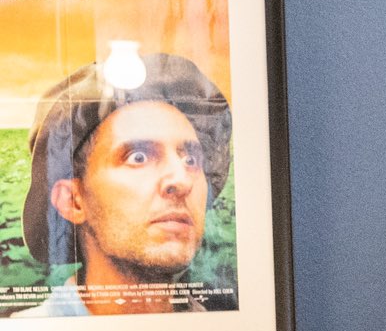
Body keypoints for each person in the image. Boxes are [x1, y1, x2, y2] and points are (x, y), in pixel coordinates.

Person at [13, 52, 234, 317]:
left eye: (190, 159)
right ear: (73, 200)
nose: (182, 179)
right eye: (138, 157)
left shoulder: (220, 330)